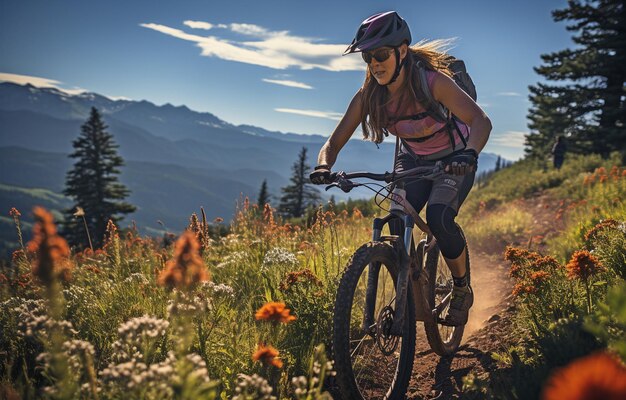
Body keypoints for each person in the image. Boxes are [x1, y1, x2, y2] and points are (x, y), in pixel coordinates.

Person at [310, 11, 492, 326]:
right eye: (368, 57)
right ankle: (413, 288)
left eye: (380, 54)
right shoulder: (369, 94)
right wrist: (323, 165)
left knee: (439, 217)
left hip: (454, 159)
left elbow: (481, 121)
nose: (374, 63)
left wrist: (470, 154)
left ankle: (461, 287)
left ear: (402, 51)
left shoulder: (432, 82)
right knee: (396, 221)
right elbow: (333, 142)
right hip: (412, 160)